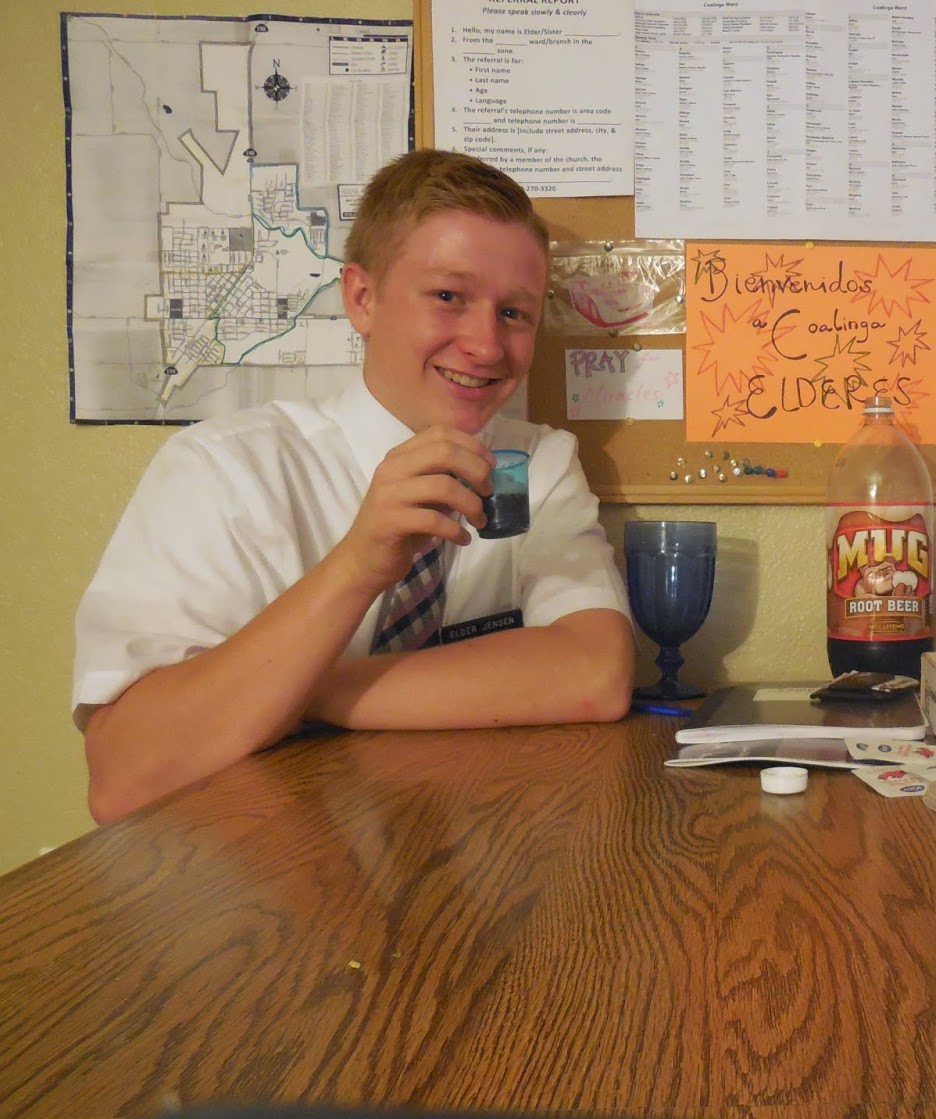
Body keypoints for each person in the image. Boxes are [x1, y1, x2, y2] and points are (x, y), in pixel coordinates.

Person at [73, 148, 635, 823]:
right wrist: (358, 565)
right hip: (259, 866)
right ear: (362, 299)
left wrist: (291, 690)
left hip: (477, 853)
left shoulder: (537, 464)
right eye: (448, 297)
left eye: (515, 313)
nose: (487, 345)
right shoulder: (223, 471)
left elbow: (595, 675)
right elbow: (124, 779)